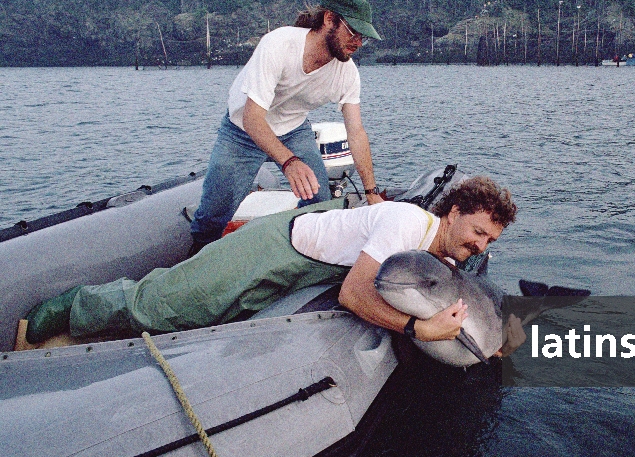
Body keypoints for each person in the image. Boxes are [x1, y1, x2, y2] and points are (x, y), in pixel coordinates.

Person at [24, 177, 517, 348]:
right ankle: (51, 314)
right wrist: (417, 330)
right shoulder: (409, 225)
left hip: (305, 262)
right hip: (277, 249)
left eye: (488, 241)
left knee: (205, 314)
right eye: (476, 232)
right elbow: (353, 295)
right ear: (452, 213)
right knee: (166, 304)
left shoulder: (438, 254)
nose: (479, 247)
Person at [189, 0, 385, 257]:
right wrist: (289, 161)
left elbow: (356, 132)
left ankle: (303, 258)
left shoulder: (347, 73)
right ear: (329, 19)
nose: (358, 43)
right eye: (353, 32)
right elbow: (252, 118)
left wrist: (371, 191)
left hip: (293, 129)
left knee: (319, 204)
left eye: (364, 37)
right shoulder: (278, 44)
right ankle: (194, 262)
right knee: (213, 214)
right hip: (242, 132)